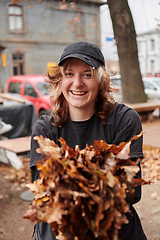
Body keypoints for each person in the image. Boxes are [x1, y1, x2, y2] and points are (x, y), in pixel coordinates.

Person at [30, 41, 147, 240]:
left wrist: (70, 181)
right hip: (62, 230)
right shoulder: (45, 129)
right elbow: (44, 193)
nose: (77, 83)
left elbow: (129, 192)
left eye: (87, 74)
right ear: (60, 79)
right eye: (69, 74)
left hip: (114, 230)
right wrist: (99, 178)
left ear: (100, 80)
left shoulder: (124, 120)